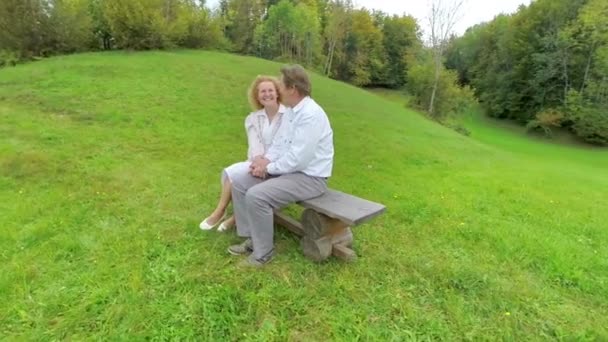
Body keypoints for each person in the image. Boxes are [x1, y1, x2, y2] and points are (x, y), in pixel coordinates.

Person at [227, 64, 334, 267]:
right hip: (291, 172)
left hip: (310, 178)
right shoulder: (293, 111)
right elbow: (280, 143)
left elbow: (298, 159)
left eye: (281, 86)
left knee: (257, 196)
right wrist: (264, 161)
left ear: (292, 88)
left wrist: (267, 168)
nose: (279, 90)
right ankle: (253, 238)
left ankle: (263, 254)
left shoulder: (311, 115)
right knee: (239, 182)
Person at [199, 76, 287, 232]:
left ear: (277, 93)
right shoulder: (253, 118)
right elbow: (255, 144)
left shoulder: (288, 116)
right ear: (257, 95)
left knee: (236, 176)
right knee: (231, 173)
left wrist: (266, 164)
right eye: (262, 91)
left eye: (270, 90)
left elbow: (283, 145)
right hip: (256, 162)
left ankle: (230, 216)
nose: (267, 94)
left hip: (279, 164)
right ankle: (223, 211)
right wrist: (258, 163)